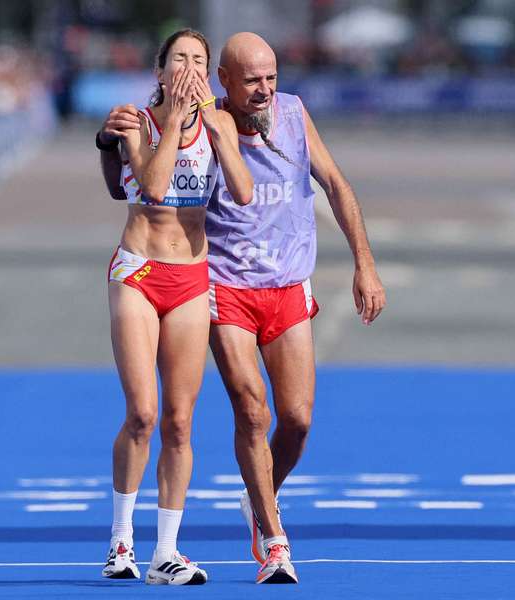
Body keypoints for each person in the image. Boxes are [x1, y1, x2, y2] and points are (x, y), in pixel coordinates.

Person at [97, 32, 386, 584]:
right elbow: (143, 186)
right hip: (196, 280)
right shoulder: (158, 120)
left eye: (271, 78)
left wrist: (364, 264)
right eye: (251, 80)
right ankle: (256, 540)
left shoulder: (274, 116)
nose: (265, 90)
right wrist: (146, 127)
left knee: (281, 421)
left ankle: (230, 515)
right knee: (203, 411)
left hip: (251, 282)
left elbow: (282, 187)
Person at [99, 28, 252, 586]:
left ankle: (167, 551)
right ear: (160, 71)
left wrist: (215, 129)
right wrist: (175, 118)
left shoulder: (219, 122)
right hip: (138, 269)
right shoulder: (134, 121)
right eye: (179, 59)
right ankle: (121, 541)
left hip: (191, 275)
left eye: (199, 61)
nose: (189, 68)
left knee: (181, 423)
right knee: (142, 413)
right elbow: (156, 187)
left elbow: (242, 192)